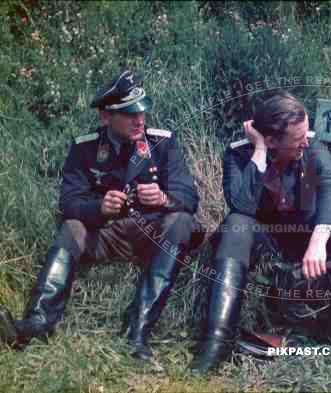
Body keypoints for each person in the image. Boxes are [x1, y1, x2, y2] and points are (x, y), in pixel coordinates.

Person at [0, 70, 200, 361]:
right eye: (129, 113)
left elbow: (190, 198)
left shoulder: (163, 143)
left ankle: (138, 330)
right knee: (72, 227)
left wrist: (164, 198)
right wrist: (98, 208)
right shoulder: (85, 147)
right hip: (108, 235)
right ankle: (38, 322)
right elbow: (69, 202)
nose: (139, 120)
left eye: (141, 111)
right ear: (106, 117)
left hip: (151, 235)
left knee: (181, 220)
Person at [188, 92, 331, 374]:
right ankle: (217, 342)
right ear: (271, 140)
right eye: (297, 140)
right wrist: (259, 152)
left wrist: (320, 238)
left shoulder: (310, 145)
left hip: (305, 240)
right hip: (265, 245)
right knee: (236, 224)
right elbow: (242, 205)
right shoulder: (238, 154)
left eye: (306, 133)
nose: (305, 141)